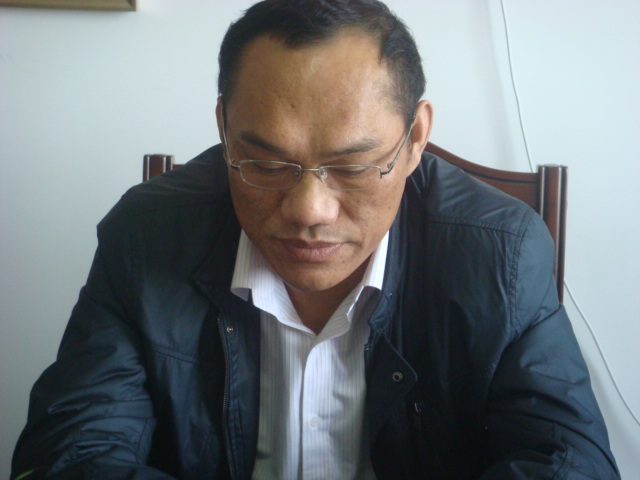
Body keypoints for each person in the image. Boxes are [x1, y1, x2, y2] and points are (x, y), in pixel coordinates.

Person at [12, 1, 619, 479]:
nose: (309, 210)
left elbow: (565, 461)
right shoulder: (145, 236)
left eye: (353, 167)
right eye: (265, 164)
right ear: (224, 127)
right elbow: (72, 452)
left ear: (414, 140)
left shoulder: (502, 253)